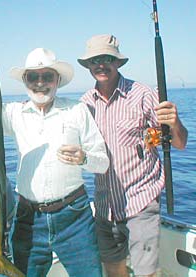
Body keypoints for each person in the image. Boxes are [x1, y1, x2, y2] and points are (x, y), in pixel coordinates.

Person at [78, 34, 188, 277]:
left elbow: (180, 143)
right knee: (114, 271)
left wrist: (175, 122)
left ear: (117, 62)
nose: (100, 64)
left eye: (107, 58)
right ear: (88, 65)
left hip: (141, 202)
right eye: (95, 60)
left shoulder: (143, 94)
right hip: (106, 206)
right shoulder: (84, 104)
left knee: (145, 272)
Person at [3, 47, 109, 276]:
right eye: (33, 76)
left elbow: (103, 163)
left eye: (47, 76)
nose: (40, 83)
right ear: (24, 80)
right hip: (27, 219)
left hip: (75, 218)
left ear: (57, 80)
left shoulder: (77, 110)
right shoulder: (11, 113)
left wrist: (84, 157)